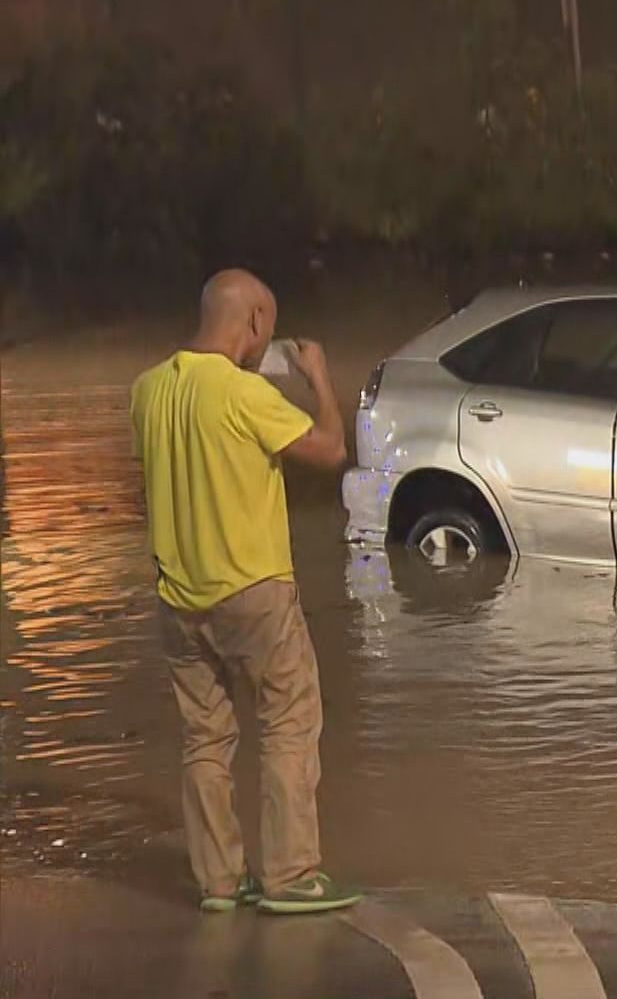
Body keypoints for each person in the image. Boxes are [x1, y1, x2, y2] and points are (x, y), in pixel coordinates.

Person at [129, 269, 360, 914]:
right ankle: (290, 876)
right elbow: (332, 449)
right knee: (289, 722)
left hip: (178, 599)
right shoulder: (242, 394)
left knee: (205, 740)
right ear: (256, 322)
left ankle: (220, 881)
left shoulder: (146, 391)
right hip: (254, 590)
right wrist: (316, 374)